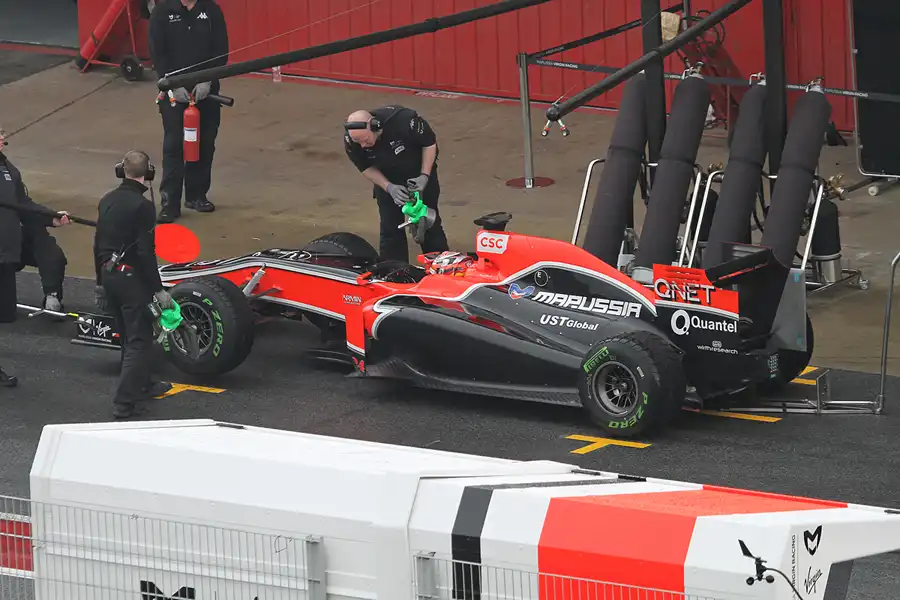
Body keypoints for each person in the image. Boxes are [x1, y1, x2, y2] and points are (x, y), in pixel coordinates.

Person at [93, 150, 174, 418]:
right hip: (131, 279)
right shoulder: (143, 206)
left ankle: (144, 383)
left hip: (109, 273)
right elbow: (145, 252)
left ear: (122, 170)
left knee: (128, 336)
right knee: (139, 340)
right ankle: (124, 402)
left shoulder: (107, 199)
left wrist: (100, 282)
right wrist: (158, 289)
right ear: (148, 173)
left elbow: (98, 244)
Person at [0, 127, 71, 388]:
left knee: (4, 315)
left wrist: (50, 217)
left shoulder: (8, 170)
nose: (2, 138)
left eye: (2, 133)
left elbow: (24, 204)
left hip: (5, 255)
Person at [148, 0, 229, 224]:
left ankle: (196, 195)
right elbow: (157, 53)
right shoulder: (162, 12)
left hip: (206, 91)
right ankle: (169, 203)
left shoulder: (211, 10)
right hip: (174, 91)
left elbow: (221, 51)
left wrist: (208, 80)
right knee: (174, 145)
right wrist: (172, 84)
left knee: (205, 142)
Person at [343, 105, 449, 262]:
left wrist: (424, 176)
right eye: (358, 142)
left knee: (427, 222)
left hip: (418, 172)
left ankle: (440, 265)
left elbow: (429, 144)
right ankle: (393, 268)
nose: (362, 145)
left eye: (365, 140)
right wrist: (388, 187)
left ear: (375, 126)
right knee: (390, 227)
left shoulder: (405, 121)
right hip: (387, 177)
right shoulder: (352, 140)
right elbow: (364, 167)